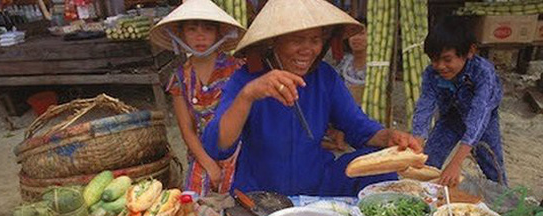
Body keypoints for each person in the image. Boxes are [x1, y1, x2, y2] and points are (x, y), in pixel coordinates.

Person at [202, 0, 421, 197]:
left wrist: (389, 137)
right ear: (273, 41)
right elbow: (217, 147)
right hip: (261, 193)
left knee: (382, 169)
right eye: (297, 40)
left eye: (315, 40)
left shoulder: (325, 77)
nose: (308, 50)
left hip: (317, 185)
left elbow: (358, 127)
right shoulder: (246, 78)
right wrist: (248, 95)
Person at [150, 0, 245, 196]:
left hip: (238, 151)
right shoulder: (179, 78)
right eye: (192, 29)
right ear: (180, 34)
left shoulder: (237, 69)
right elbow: (187, 130)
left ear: (219, 33)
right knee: (195, 206)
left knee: (240, 204)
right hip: (202, 153)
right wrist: (209, 164)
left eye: (208, 29)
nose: (200, 36)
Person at [412, 16, 506, 187]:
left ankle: (506, 206)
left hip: (484, 119)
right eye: (434, 59)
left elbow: (479, 116)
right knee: (428, 160)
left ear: (470, 51)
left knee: (492, 165)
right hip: (451, 116)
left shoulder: (483, 73)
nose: (440, 66)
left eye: (447, 59)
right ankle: (427, 202)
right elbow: (424, 108)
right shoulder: (431, 74)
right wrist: (417, 143)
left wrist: (456, 163)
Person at [335, 17, 367, 105]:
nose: (356, 38)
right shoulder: (345, 63)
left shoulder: (376, 66)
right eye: (353, 34)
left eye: (361, 34)